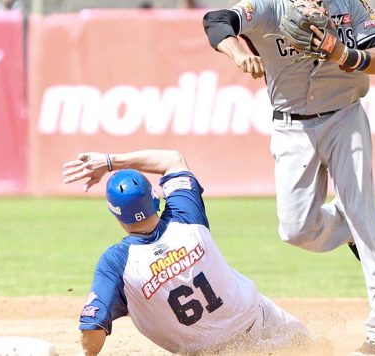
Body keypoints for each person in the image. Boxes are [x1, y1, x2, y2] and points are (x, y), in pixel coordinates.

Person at [202, 0, 375, 354]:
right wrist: (237, 53)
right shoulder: (265, 4)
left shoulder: (347, 1)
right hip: (291, 126)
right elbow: (216, 20)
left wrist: (346, 55)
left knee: (364, 212)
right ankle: (344, 226)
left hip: (344, 116)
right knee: (295, 229)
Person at [61, 149, 311, 356]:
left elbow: (92, 329)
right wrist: (108, 162)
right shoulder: (185, 216)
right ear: (154, 198)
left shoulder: (115, 263)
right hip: (262, 321)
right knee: (314, 349)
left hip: (210, 353)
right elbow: (172, 159)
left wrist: (87, 352)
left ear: (115, 213)